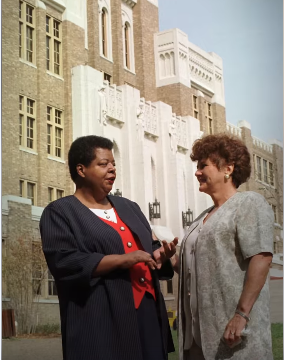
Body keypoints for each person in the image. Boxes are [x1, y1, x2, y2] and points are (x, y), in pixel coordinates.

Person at [40, 135, 178, 360]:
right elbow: (65, 262)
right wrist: (126, 259)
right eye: (104, 164)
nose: (112, 169)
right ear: (81, 170)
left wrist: (159, 256)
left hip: (147, 313)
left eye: (113, 164)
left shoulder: (130, 208)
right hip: (100, 319)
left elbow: (150, 247)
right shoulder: (60, 212)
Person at [167, 134, 274, 360]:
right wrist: (171, 259)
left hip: (233, 336)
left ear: (228, 168)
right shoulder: (200, 219)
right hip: (196, 340)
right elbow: (195, 269)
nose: (197, 172)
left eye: (203, 166)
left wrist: (241, 315)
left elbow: (261, 258)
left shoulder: (248, 203)